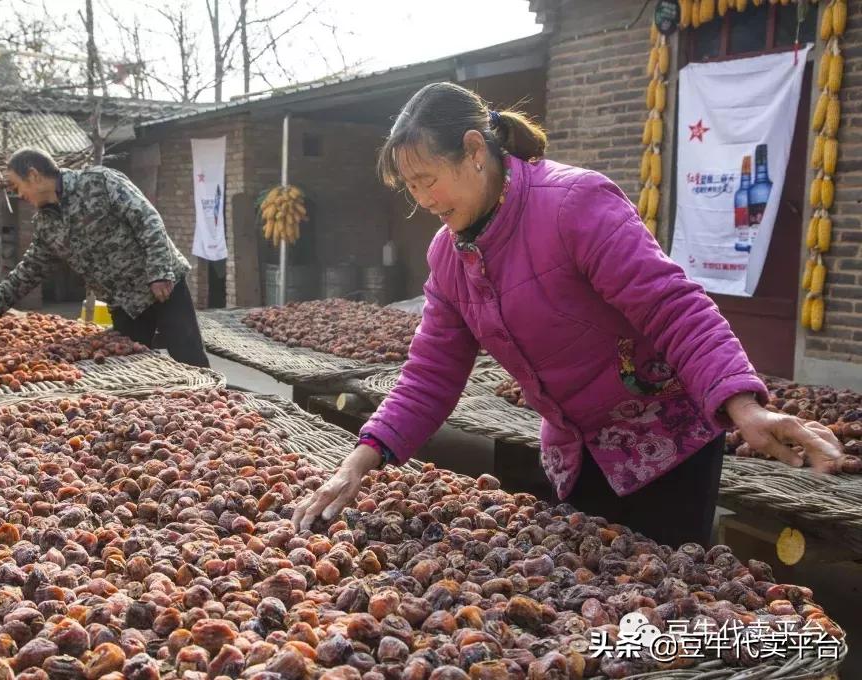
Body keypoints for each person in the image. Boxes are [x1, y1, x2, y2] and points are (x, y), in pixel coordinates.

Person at [292, 82, 844, 547]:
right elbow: (429, 374)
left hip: (666, 446)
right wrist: (361, 459)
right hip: (577, 454)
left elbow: (672, 307)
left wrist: (742, 406)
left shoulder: (574, 204)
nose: (424, 200)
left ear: (473, 150)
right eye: (410, 188)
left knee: (666, 598)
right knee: (596, 594)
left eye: (428, 179)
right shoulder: (449, 256)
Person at [0, 148, 210, 368]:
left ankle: (208, 408)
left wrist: (159, 272)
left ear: (33, 175)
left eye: (16, 185)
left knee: (189, 359)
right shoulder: (46, 223)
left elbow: (148, 220)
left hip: (163, 289)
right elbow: (31, 268)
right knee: (130, 365)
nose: (17, 194)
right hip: (124, 304)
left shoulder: (99, 182)